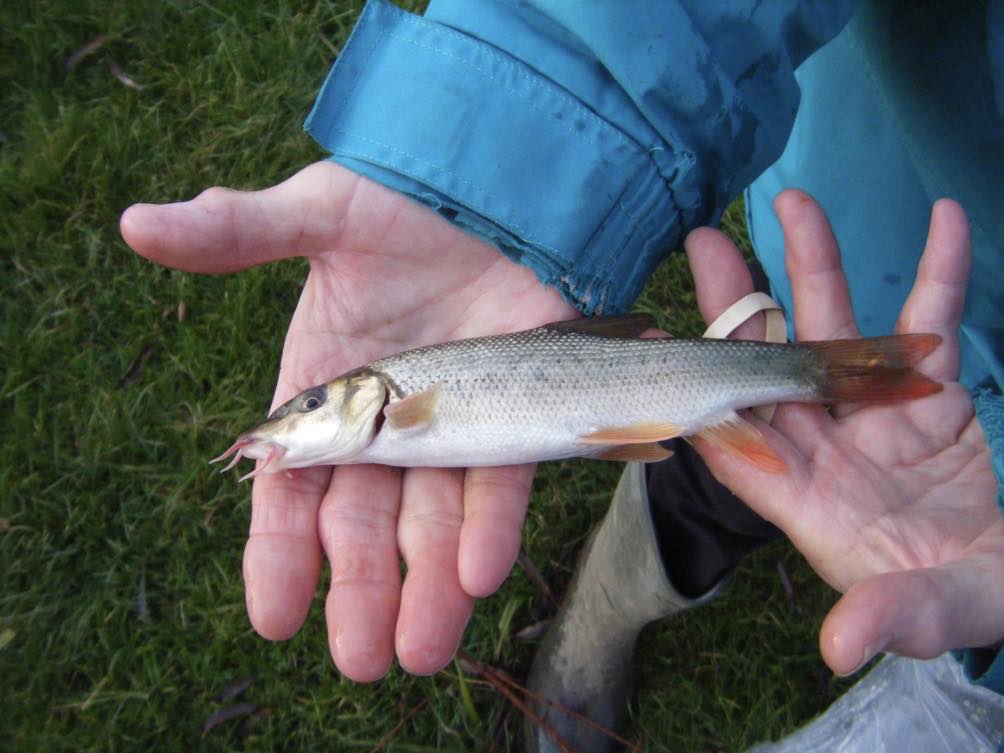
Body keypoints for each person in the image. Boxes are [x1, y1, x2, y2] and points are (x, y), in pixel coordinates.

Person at [120, 0, 1004, 749]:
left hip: (899, 329)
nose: (300, 416)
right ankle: (626, 591)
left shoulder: (400, 400)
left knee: (742, 454)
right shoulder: (392, 407)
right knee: (727, 465)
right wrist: (524, 145)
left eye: (313, 405)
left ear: (361, 400)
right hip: (889, 168)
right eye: (311, 406)